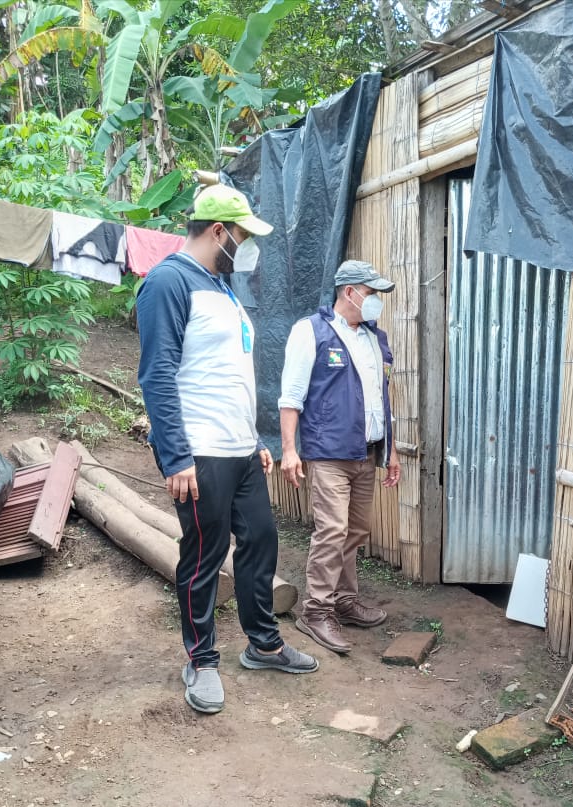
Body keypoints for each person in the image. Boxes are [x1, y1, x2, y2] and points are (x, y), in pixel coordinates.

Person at [137, 183, 318, 715]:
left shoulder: (222, 287)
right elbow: (157, 375)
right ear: (219, 231)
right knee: (204, 556)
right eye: (244, 236)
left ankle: (264, 645)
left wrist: (255, 440)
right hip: (199, 451)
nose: (248, 247)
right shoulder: (168, 282)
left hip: (238, 449)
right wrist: (176, 456)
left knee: (260, 540)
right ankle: (201, 659)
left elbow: (229, 374)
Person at [278, 259, 401, 654]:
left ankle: (344, 601)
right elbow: (291, 396)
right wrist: (289, 450)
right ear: (350, 292)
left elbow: (382, 399)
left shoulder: (374, 337)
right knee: (331, 530)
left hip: (367, 452)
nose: (376, 300)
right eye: (371, 293)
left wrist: (391, 450)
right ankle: (316, 611)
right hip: (329, 452)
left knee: (356, 530)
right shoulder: (312, 331)